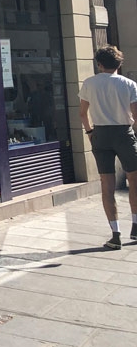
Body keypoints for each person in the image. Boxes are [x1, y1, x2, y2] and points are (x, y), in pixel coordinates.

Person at [78, 45, 137, 249]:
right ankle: (136, 228)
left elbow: (83, 113)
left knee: (107, 184)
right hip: (123, 133)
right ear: (119, 64)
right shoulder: (129, 84)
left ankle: (115, 234)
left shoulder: (89, 83)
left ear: (99, 64)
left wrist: (90, 132)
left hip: (101, 134)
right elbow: (136, 115)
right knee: (134, 179)